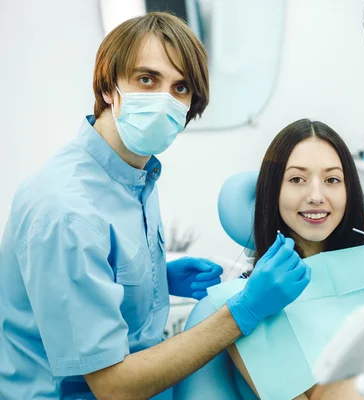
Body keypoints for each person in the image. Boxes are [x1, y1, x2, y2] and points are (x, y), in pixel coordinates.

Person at [0, 12, 310, 400]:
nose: (165, 99)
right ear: (109, 86)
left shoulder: (135, 173)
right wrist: (244, 310)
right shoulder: (65, 209)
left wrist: (157, 279)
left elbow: (87, 277)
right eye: (147, 80)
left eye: (180, 88)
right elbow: (112, 386)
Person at [229, 119, 364, 400]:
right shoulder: (251, 306)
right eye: (297, 179)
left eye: (332, 180)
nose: (316, 196)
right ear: (272, 190)